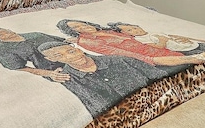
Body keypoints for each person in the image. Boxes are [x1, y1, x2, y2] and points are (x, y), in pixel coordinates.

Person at [38, 40, 169, 117]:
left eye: (71, 51)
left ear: (78, 49)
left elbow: (162, 78)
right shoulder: (65, 80)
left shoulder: (120, 60)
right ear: (52, 59)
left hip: (162, 107)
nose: (70, 57)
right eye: (59, 55)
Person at [56, 19, 205, 68]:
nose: (82, 26)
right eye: (76, 27)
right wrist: (150, 60)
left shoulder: (111, 29)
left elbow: (144, 33)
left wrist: (194, 39)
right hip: (151, 56)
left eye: (79, 23)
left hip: (163, 48)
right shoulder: (87, 41)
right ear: (75, 32)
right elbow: (120, 53)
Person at [0, 27, 70, 82]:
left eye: (4, 31)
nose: (6, 34)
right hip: (56, 71)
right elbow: (20, 68)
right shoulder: (1, 49)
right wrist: (49, 74)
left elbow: (64, 42)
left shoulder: (34, 34)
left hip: (77, 59)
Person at [106, 22, 205, 57]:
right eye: (130, 31)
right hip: (186, 50)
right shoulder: (141, 39)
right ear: (126, 34)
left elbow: (173, 36)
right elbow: (158, 47)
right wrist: (162, 40)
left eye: (134, 27)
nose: (135, 30)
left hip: (193, 44)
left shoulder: (152, 31)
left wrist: (195, 39)